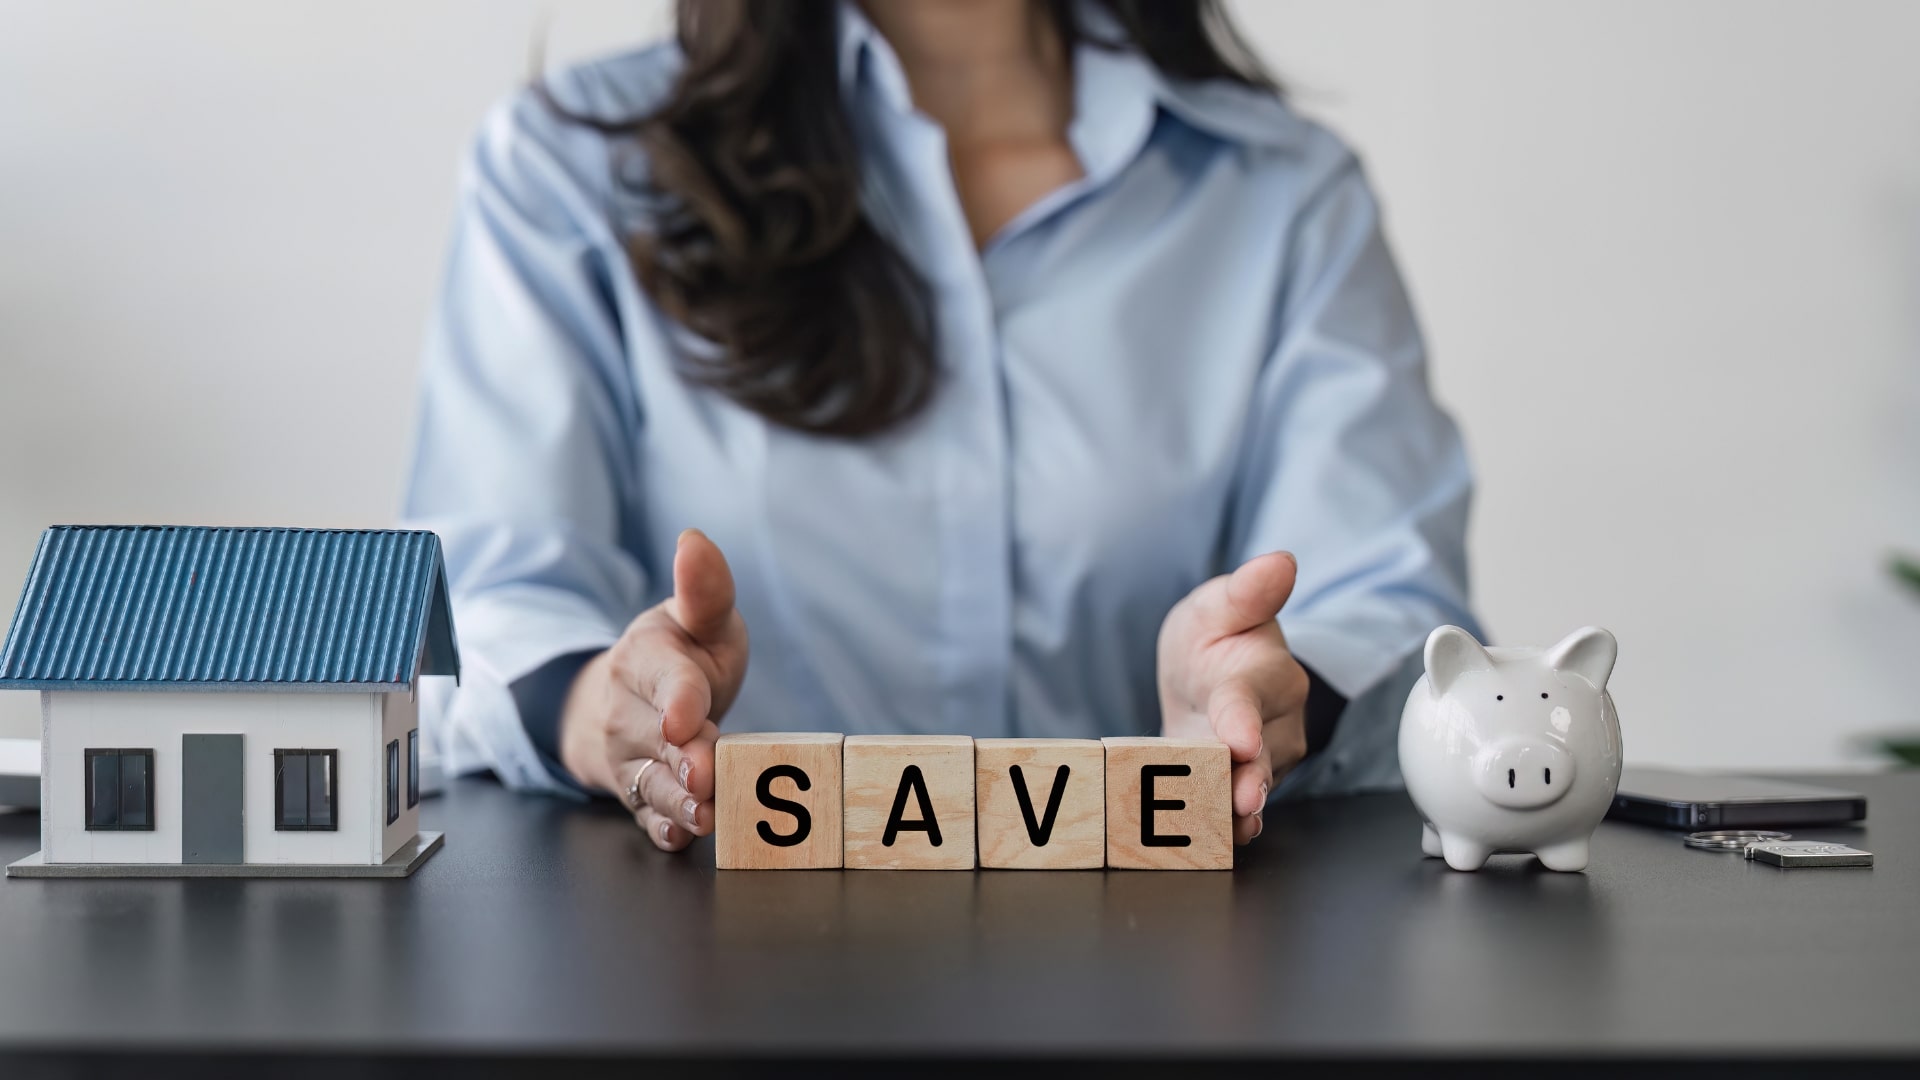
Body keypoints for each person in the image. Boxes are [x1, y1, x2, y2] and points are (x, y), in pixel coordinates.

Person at [403, 0, 1480, 852]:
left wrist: (1261, 698)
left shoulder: (1287, 197)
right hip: (693, 974)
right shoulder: (565, 172)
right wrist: (611, 711)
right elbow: (495, 593)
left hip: (1158, 971)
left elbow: (1383, 597)